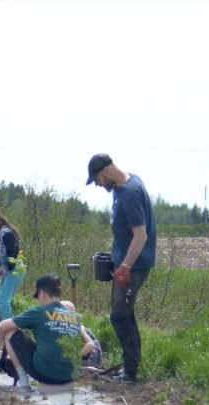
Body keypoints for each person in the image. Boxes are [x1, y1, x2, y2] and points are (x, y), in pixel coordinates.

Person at [86, 153, 156, 384]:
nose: (97, 184)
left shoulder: (131, 193)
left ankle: (131, 373)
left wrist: (125, 266)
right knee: (125, 314)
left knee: (119, 315)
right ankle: (132, 366)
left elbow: (141, 235)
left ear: (106, 170)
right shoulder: (120, 188)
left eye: (96, 178)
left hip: (134, 266)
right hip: (123, 262)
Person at [0, 274, 96, 397]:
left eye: (38, 297)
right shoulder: (75, 317)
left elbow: (2, 326)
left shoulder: (38, 312)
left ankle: (23, 385)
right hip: (69, 375)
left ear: (42, 293)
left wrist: (5, 338)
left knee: (10, 333)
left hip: (46, 374)